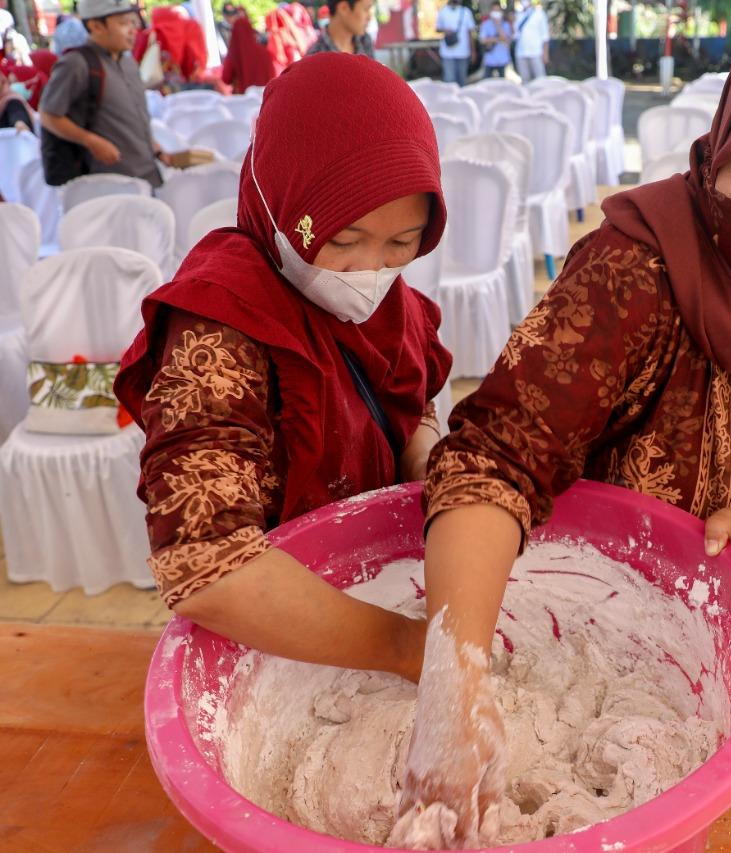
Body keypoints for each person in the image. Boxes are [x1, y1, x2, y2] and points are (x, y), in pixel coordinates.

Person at [390, 13, 731, 847]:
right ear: (717, 148)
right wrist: (453, 687)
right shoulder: (636, 265)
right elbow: (497, 454)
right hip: (583, 639)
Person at [114, 53, 452, 687]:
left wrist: (427, 462)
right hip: (279, 630)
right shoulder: (219, 326)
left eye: (402, 243)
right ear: (280, 205)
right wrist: (413, 649)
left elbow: (411, 404)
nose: (367, 271)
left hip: (381, 584)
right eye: (345, 239)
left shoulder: (392, 304)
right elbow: (206, 565)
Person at [40, 0, 168, 189]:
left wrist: (152, 146)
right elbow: (48, 115)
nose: (133, 29)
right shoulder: (76, 64)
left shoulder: (128, 62)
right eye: (124, 23)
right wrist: (90, 140)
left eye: (133, 22)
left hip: (148, 174)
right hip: (109, 183)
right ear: (96, 26)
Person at [132, 5, 208, 90]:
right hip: (186, 88)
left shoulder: (149, 36)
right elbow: (196, 60)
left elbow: (135, 62)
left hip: (154, 91)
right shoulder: (190, 28)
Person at [220, 9, 276, 93]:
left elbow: (226, 79)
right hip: (265, 97)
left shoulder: (233, 55)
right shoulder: (264, 53)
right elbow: (272, 76)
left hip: (244, 101)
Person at [307, 0, 373, 57]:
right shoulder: (315, 55)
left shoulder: (365, 41)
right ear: (344, 8)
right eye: (366, 9)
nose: (369, 17)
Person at [436, 0, 474, 85]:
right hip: (447, 53)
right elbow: (438, 28)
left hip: (463, 52)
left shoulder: (466, 12)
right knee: (449, 81)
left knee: (462, 80)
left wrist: (473, 51)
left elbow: (470, 33)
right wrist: (445, 30)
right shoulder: (443, 11)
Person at [511, 0, 546, 81]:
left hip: (536, 52)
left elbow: (545, 36)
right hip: (520, 53)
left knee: (540, 79)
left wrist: (545, 53)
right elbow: (515, 35)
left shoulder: (539, 13)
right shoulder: (517, 15)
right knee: (525, 80)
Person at [477, 0, 510, 79]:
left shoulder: (505, 24)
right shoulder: (485, 24)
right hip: (489, 60)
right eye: (494, 10)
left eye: (498, 10)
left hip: (502, 60)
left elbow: (506, 39)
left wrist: (498, 25)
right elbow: (482, 40)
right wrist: (498, 39)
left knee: (502, 85)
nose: (496, 13)